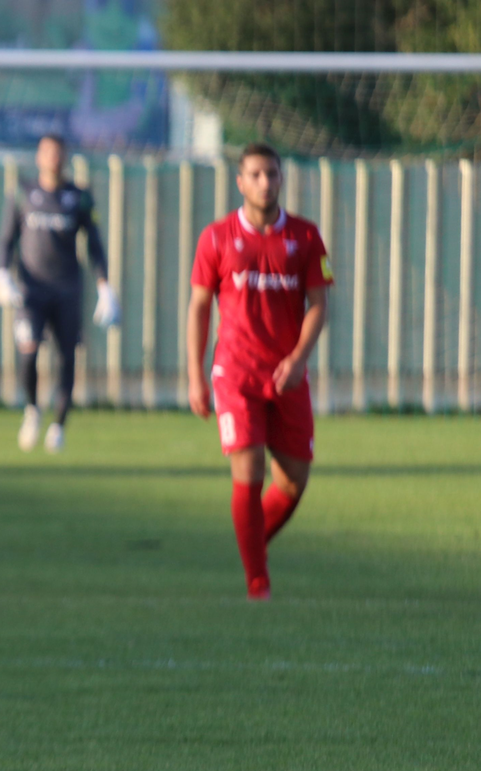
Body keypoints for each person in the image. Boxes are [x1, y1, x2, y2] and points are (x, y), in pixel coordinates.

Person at [186, 142, 332, 600]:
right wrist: (195, 376)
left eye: (272, 173)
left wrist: (299, 358)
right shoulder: (216, 237)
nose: (265, 182)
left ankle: (249, 545)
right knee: (248, 470)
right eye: (255, 174)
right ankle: (257, 583)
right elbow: (199, 307)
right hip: (236, 373)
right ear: (240, 182)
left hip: (288, 374)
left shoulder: (306, 237)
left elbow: (318, 304)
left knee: (293, 481)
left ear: (281, 178)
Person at [0, 134, 116, 454]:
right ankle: (32, 409)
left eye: (58, 152)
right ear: (38, 156)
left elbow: (95, 244)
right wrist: (1, 273)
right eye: (47, 152)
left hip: (67, 291)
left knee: (66, 358)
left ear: (65, 157)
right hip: (31, 292)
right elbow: (6, 239)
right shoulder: (23, 192)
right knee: (28, 349)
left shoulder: (79, 197)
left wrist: (104, 286)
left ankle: (59, 424)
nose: (53, 158)